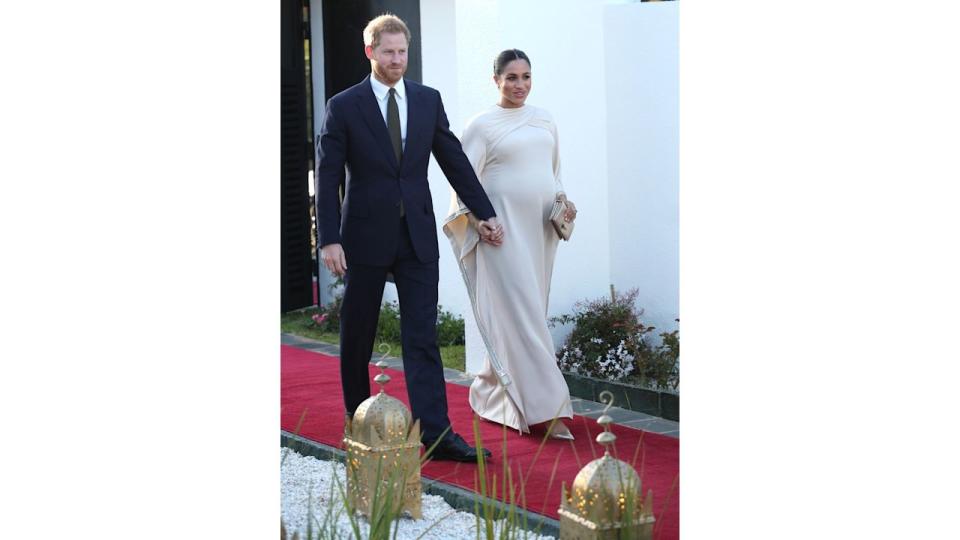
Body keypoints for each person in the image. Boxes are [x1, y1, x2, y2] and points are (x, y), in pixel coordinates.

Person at [315, 14, 505, 462]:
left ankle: (436, 436)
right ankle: (359, 422)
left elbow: (453, 159)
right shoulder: (344, 105)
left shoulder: (426, 100)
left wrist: (485, 212)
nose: (397, 60)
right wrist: (329, 238)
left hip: (417, 235)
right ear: (370, 52)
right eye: (388, 52)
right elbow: (326, 176)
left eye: (403, 52)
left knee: (422, 337)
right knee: (357, 334)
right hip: (361, 237)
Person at [442, 49, 579, 440]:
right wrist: (480, 221)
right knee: (523, 316)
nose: (520, 85)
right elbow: (463, 179)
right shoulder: (482, 125)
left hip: (540, 232)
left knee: (529, 311)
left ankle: (489, 391)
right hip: (500, 234)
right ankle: (548, 411)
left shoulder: (544, 119)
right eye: (512, 77)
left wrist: (562, 201)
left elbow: (553, 172)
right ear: (496, 80)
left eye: (526, 77)